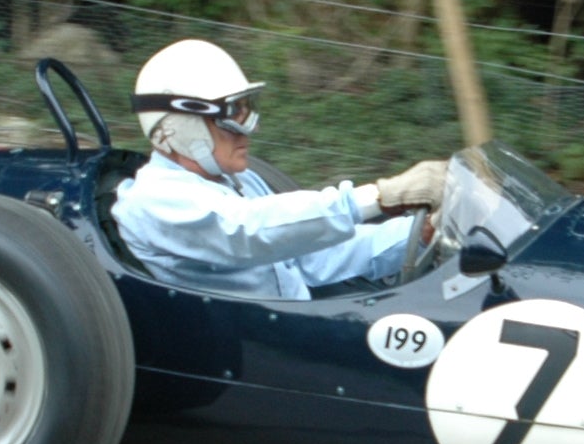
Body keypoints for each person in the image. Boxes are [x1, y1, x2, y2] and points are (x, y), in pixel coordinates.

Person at [112, 39, 451, 299]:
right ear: (179, 127)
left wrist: (417, 236)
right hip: (244, 354)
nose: (249, 130)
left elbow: (309, 258)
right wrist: (381, 197)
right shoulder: (154, 200)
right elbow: (248, 231)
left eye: (245, 112)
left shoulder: (237, 181)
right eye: (231, 116)